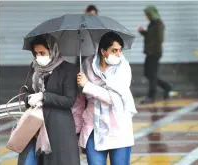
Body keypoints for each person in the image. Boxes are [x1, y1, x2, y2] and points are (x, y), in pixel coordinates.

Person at [72, 32, 137, 165]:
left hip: (118, 127)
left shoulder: (123, 68)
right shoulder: (87, 65)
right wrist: (76, 128)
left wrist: (88, 86)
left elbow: (115, 99)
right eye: (114, 50)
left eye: (120, 50)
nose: (119, 54)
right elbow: (79, 100)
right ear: (103, 51)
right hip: (93, 128)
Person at [17, 35, 80, 165]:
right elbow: (24, 90)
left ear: (53, 50)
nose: (39, 57)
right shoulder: (34, 67)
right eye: (36, 53)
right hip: (33, 125)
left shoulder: (68, 69)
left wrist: (43, 96)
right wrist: (28, 98)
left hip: (58, 128)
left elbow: (69, 100)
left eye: (42, 53)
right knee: (27, 161)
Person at [138, 6, 178, 104]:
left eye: (147, 14)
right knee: (148, 74)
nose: (146, 16)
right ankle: (167, 87)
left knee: (151, 74)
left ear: (151, 14)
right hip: (150, 52)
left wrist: (152, 49)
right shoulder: (152, 24)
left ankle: (151, 96)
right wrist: (143, 32)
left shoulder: (158, 24)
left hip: (154, 53)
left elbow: (160, 40)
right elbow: (150, 37)